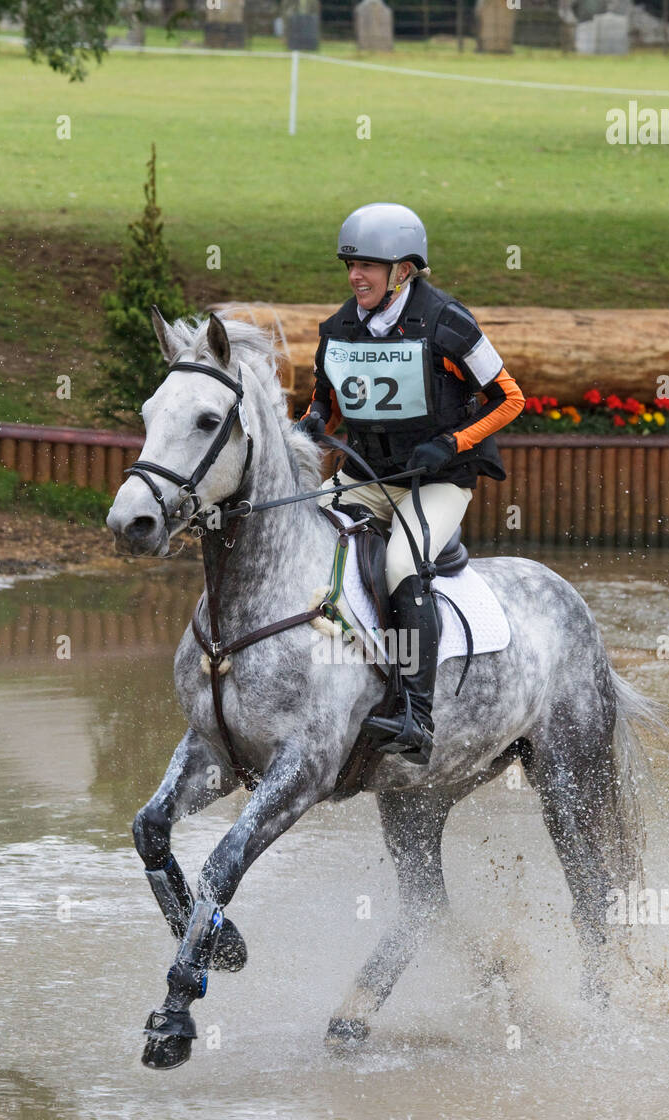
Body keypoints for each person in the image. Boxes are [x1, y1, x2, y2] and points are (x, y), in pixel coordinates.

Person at [298, 202, 525, 765]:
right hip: (365, 477)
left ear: (404, 269)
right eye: (350, 264)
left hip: (437, 480)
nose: (356, 276)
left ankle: (416, 713)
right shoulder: (338, 329)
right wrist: (306, 430)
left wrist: (453, 443)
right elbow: (322, 408)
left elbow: (511, 398)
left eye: (369, 266)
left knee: (400, 564)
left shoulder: (449, 323)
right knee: (298, 533)